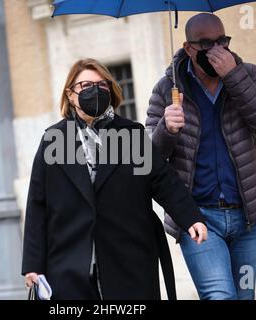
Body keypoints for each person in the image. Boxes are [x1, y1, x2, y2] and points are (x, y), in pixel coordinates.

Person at [22, 58, 207, 300]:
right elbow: (38, 203)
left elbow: (163, 180)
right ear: (70, 95)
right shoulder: (53, 139)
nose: (95, 90)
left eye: (102, 85)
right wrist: (33, 263)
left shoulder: (131, 134)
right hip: (71, 266)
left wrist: (191, 217)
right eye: (86, 84)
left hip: (129, 261)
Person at [146, 13, 256, 300]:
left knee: (244, 296)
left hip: (247, 217)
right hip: (198, 220)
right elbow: (150, 158)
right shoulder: (167, 89)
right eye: (207, 45)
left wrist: (233, 76)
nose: (217, 50)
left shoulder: (250, 75)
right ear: (189, 48)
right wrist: (166, 129)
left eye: (223, 41)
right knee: (219, 296)